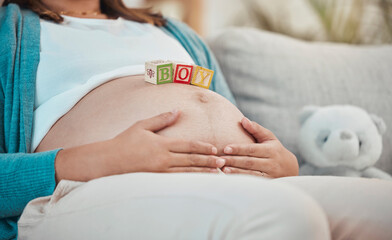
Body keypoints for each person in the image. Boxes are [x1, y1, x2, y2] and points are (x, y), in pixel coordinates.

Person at [1, 1, 392, 240]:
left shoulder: (174, 32)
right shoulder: (9, 31)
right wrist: (104, 158)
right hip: (83, 191)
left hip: (235, 180)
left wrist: (284, 163)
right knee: (286, 218)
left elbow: (222, 107)